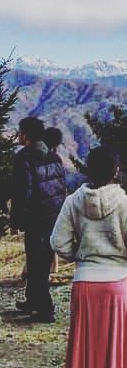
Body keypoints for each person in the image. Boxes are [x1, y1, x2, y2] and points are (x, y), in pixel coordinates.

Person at [51, 146, 127, 368]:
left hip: (85, 284)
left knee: (83, 354)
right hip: (118, 285)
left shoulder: (73, 202)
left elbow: (58, 242)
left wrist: (80, 255)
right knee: (115, 355)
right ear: (116, 171)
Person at [10, 117, 66, 323]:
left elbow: (22, 192)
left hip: (36, 218)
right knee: (41, 262)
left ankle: (45, 308)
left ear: (25, 135)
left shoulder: (24, 157)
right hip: (54, 217)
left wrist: (16, 221)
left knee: (36, 265)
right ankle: (32, 300)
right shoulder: (54, 157)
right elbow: (61, 188)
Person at [21, 126, 65, 280]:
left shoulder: (34, 158)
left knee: (35, 246)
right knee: (49, 241)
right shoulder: (56, 159)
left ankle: (33, 272)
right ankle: (50, 270)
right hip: (55, 209)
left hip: (40, 211)